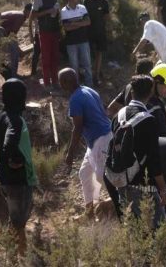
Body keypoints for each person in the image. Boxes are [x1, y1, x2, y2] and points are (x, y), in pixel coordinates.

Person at [110, 76, 166, 227]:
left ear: (131, 92)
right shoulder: (148, 120)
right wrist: (163, 190)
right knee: (157, 227)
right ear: (151, 93)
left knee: (132, 228)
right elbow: (153, 159)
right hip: (142, 184)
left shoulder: (119, 115)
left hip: (121, 179)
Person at [60, 68, 113, 221]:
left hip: (101, 140)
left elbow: (77, 128)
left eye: (60, 81)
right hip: (98, 139)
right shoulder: (88, 90)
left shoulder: (75, 99)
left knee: (104, 177)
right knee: (85, 173)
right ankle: (89, 212)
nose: (60, 85)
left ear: (65, 82)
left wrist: (70, 154)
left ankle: (123, 204)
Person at [0, 78, 36, 255]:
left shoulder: (2, 115)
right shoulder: (15, 120)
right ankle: (21, 257)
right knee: (19, 222)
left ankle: (11, 252)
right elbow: (9, 142)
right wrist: (15, 159)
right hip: (18, 180)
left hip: (5, 177)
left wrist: (5, 157)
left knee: (14, 218)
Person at [29, 0, 61, 92]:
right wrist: (48, 11)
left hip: (54, 29)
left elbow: (57, 12)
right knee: (46, 57)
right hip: (44, 31)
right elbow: (33, 16)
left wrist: (56, 13)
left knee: (55, 57)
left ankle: (55, 81)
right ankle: (47, 82)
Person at [61, 0, 93, 87]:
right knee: (74, 66)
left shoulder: (82, 8)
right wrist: (81, 23)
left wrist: (74, 23)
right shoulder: (64, 11)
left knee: (87, 64)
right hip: (71, 43)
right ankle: (76, 86)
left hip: (83, 41)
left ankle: (89, 85)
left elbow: (88, 22)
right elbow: (66, 28)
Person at [83, 0, 111, 86]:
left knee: (99, 53)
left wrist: (108, 21)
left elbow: (107, 16)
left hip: (100, 31)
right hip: (88, 31)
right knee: (88, 54)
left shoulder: (104, 2)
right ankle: (88, 76)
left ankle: (96, 76)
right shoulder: (87, 0)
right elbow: (83, 14)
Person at [0, 4, 32, 79]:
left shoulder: (20, 14)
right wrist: (18, 49)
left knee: (10, 53)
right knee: (14, 53)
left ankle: (12, 75)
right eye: (31, 12)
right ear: (26, 10)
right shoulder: (21, 16)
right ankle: (13, 76)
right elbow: (12, 34)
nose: (32, 14)